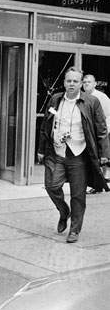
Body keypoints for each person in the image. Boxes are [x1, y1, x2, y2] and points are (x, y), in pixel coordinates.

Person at [37, 66, 110, 243]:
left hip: (79, 154)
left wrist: (104, 154)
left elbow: (101, 130)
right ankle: (64, 212)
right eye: (68, 81)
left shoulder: (91, 102)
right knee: (51, 186)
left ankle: (75, 230)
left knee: (78, 194)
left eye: (76, 81)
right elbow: (46, 125)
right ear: (64, 82)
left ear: (81, 84)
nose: (72, 84)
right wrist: (41, 149)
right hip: (57, 151)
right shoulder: (55, 99)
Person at [82, 73, 110, 193]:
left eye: (89, 82)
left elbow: (108, 116)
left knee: (102, 159)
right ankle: (97, 184)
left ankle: (103, 183)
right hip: (88, 134)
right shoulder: (82, 96)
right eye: (84, 82)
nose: (86, 84)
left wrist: (105, 133)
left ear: (95, 84)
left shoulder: (101, 97)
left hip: (100, 133)